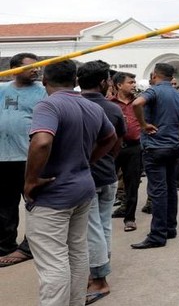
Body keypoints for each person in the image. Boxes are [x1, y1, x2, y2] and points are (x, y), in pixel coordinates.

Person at [24, 59, 117, 305]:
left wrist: (31, 181)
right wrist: (87, 160)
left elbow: (42, 141)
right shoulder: (92, 106)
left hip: (53, 194)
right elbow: (110, 138)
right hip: (82, 189)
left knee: (53, 261)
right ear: (75, 81)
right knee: (77, 253)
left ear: (44, 81)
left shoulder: (48, 105)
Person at [78, 60, 126, 304]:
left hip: (87, 176)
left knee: (92, 227)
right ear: (103, 82)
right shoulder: (113, 108)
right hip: (107, 172)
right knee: (103, 224)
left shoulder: (74, 106)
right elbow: (118, 141)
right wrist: (108, 160)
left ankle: (99, 277)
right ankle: (101, 265)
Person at [130, 63, 179, 249]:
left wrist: (143, 124)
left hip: (155, 147)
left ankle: (157, 235)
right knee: (170, 189)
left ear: (154, 75)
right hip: (173, 147)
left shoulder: (154, 91)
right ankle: (170, 227)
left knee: (158, 191)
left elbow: (137, 103)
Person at [0, 52, 46, 268]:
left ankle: (31, 246)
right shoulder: (1, 89)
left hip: (29, 158)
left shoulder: (43, 92)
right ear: (15, 69)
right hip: (3, 158)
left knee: (34, 203)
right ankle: (6, 245)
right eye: (31, 67)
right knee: (5, 206)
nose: (36, 70)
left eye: (38, 67)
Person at [109, 72, 142, 233]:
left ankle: (130, 218)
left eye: (134, 82)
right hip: (112, 148)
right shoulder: (109, 104)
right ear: (119, 85)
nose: (134, 85)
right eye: (130, 82)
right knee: (108, 182)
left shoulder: (139, 102)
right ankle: (103, 215)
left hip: (134, 147)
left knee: (132, 184)